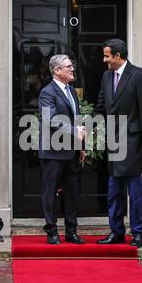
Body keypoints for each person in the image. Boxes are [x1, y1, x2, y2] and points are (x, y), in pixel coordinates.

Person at [94, 39, 142, 248]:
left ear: (118, 55)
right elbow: (102, 106)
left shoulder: (140, 76)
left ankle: (138, 232)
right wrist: (88, 125)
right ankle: (117, 232)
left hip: (133, 141)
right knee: (114, 190)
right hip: (113, 141)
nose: (105, 60)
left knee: (134, 190)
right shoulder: (106, 76)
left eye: (107, 56)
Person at [38, 54, 87, 244]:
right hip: (53, 152)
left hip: (72, 152)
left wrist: (82, 147)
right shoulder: (47, 92)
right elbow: (50, 119)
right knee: (50, 193)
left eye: (72, 66)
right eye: (68, 67)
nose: (72, 69)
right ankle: (51, 231)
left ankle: (71, 232)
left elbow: (78, 119)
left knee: (72, 193)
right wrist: (74, 131)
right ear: (57, 70)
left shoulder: (72, 91)